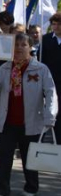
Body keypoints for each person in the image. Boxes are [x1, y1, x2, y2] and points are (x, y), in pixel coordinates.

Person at [0, 33, 57, 196]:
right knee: (3, 159)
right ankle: (1, 190)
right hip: (6, 122)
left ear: (30, 48)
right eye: (15, 45)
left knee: (29, 158)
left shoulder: (40, 69)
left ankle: (31, 186)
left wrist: (50, 115)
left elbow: (51, 93)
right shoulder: (4, 68)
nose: (18, 48)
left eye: (23, 45)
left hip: (31, 121)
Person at [39, 12, 61, 142]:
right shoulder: (46, 39)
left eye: (59, 24)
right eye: (54, 24)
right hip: (50, 81)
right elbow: (42, 60)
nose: (56, 27)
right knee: (50, 111)